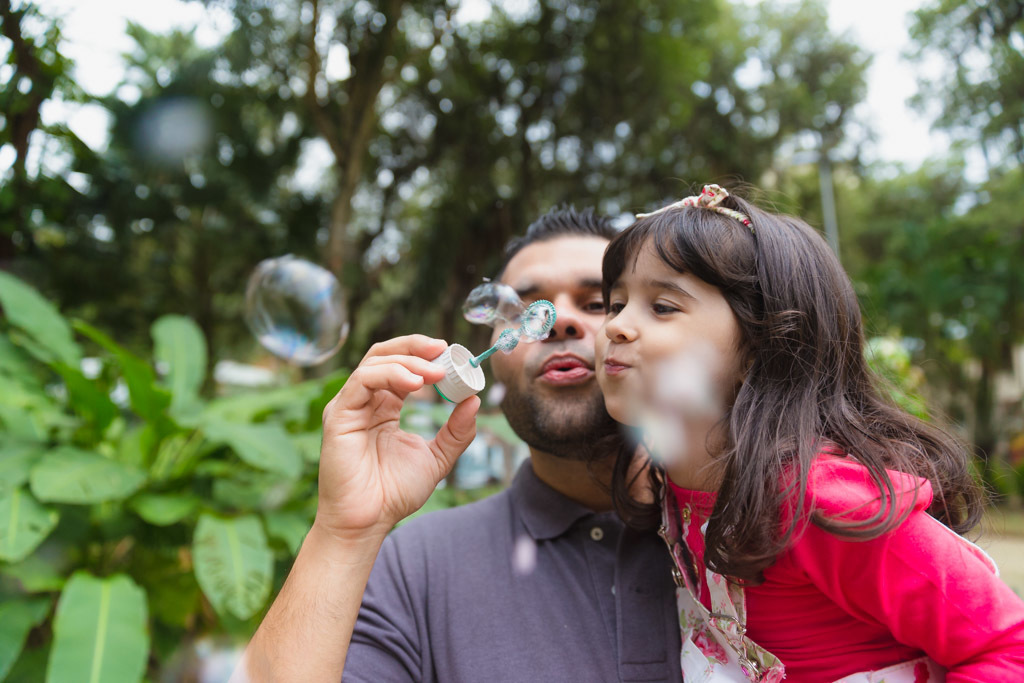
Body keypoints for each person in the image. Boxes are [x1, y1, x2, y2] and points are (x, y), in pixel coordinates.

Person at [595, 184, 1024, 681]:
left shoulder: (820, 503)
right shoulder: (669, 482)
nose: (615, 327)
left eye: (663, 306)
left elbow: (1008, 646)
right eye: (616, 304)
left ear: (760, 345)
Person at [235, 208, 682, 682]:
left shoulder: (728, 528)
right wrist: (344, 532)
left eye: (599, 304)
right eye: (523, 313)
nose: (559, 321)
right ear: (496, 356)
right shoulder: (415, 569)